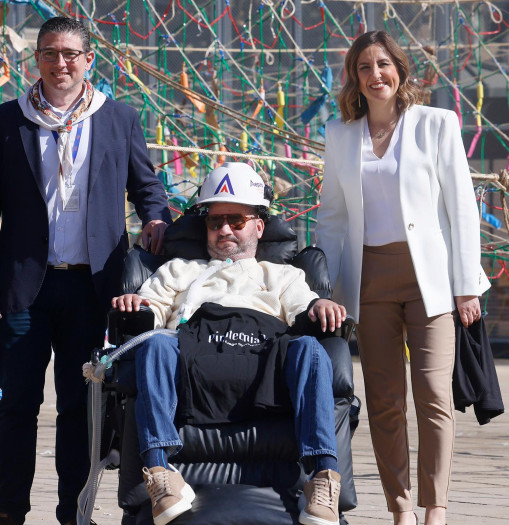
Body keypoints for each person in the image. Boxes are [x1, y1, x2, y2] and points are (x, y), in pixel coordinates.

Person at [0, 17, 172, 525]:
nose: (61, 63)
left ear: (88, 61)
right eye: (50, 53)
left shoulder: (118, 117)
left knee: (80, 407)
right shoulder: (6, 120)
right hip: (22, 289)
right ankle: (8, 511)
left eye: (70, 54)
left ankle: (73, 512)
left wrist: (157, 218)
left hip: (91, 286)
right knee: (17, 406)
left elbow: (147, 186)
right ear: (37, 59)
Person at [315, 31, 490, 525]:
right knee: (385, 402)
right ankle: (400, 508)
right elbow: (330, 219)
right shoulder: (339, 134)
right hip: (368, 281)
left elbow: (461, 209)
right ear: (355, 77)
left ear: (400, 70)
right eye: (365, 67)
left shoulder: (437, 124)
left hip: (430, 280)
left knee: (434, 395)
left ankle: (435, 507)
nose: (375, 76)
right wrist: (324, 290)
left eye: (384, 65)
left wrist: (466, 285)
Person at [112, 162, 347, 525]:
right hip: (192, 366)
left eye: (236, 220)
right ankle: (161, 475)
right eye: (214, 221)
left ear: (258, 225)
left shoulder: (284, 275)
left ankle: (323, 477)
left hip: (264, 366)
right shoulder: (178, 271)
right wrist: (136, 305)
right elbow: (152, 311)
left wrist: (321, 304)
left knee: (311, 349)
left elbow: (306, 308)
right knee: (155, 345)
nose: (224, 230)